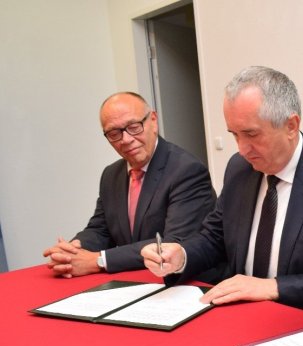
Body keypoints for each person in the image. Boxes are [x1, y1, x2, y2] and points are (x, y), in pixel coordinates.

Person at [141, 66, 303, 318]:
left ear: (291, 125)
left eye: (251, 134)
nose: (242, 149)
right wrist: (181, 256)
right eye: (234, 135)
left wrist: (273, 287)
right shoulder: (239, 169)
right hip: (241, 316)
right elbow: (214, 237)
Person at [43, 92, 217, 277]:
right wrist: (73, 250)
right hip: (134, 282)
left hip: (185, 282)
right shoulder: (111, 175)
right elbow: (100, 230)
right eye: (114, 133)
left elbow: (170, 245)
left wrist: (99, 260)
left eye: (134, 127)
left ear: (153, 120)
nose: (125, 139)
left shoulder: (186, 170)